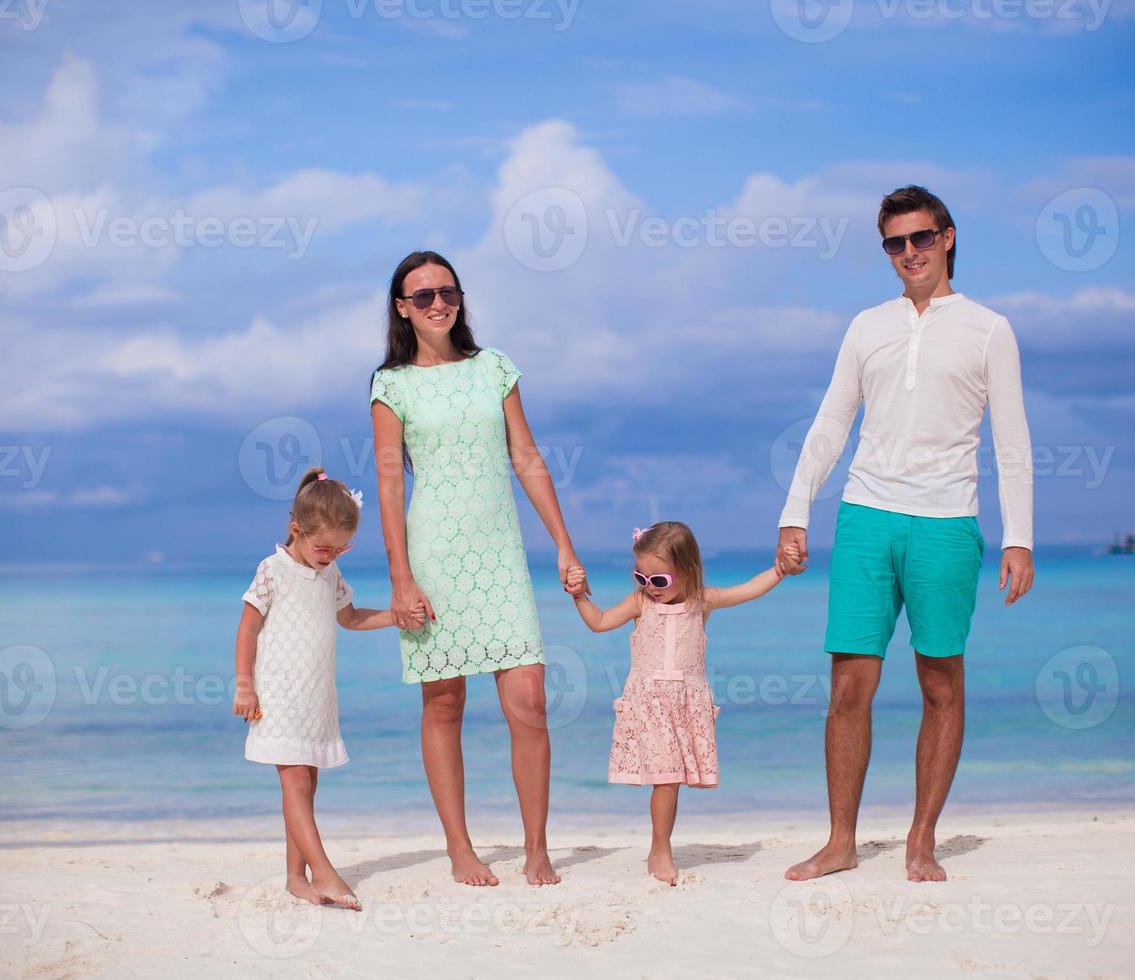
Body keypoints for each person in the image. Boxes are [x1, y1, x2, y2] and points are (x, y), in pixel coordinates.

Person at [777, 185, 1035, 883]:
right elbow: (832, 422)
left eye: (921, 238)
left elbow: (1011, 440)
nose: (909, 253)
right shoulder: (867, 326)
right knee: (848, 687)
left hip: (949, 523)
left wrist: (1020, 537)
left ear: (948, 237)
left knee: (941, 686)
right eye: (895, 242)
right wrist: (794, 510)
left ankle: (921, 838)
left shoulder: (989, 329)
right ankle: (841, 841)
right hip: (865, 514)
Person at [369, 250, 585, 887]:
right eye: (425, 295)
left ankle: (536, 848)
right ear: (402, 308)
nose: (440, 303)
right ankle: (460, 849)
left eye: (449, 291)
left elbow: (528, 457)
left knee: (531, 702)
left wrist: (564, 546)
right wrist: (400, 578)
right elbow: (387, 485)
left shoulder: (495, 368)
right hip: (432, 555)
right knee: (444, 703)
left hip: (501, 556)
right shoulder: (391, 385)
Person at [564, 523, 799, 885]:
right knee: (667, 779)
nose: (648, 587)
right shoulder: (640, 603)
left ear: (686, 572)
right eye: (640, 577)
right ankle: (660, 849)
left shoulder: (701, 602)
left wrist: (780, 570)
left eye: (658, 581)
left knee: (671, 780)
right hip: (649, 704)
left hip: (685, 703)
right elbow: (599, 622)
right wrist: (579, 596)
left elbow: (747, 590)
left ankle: (659, 847)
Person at [233, 467, 406, 910]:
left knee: (306, 786)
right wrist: (245, 687)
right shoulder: (272, 570)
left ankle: (296, 876)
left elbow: (349, 618)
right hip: (277, 696)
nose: (331, 555)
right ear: (297, 530)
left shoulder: (329, 573)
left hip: (316, 698)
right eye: (324, 547)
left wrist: (397, 615)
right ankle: (325, 872)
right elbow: (247, 630)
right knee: (294, 785)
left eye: (341, 548)